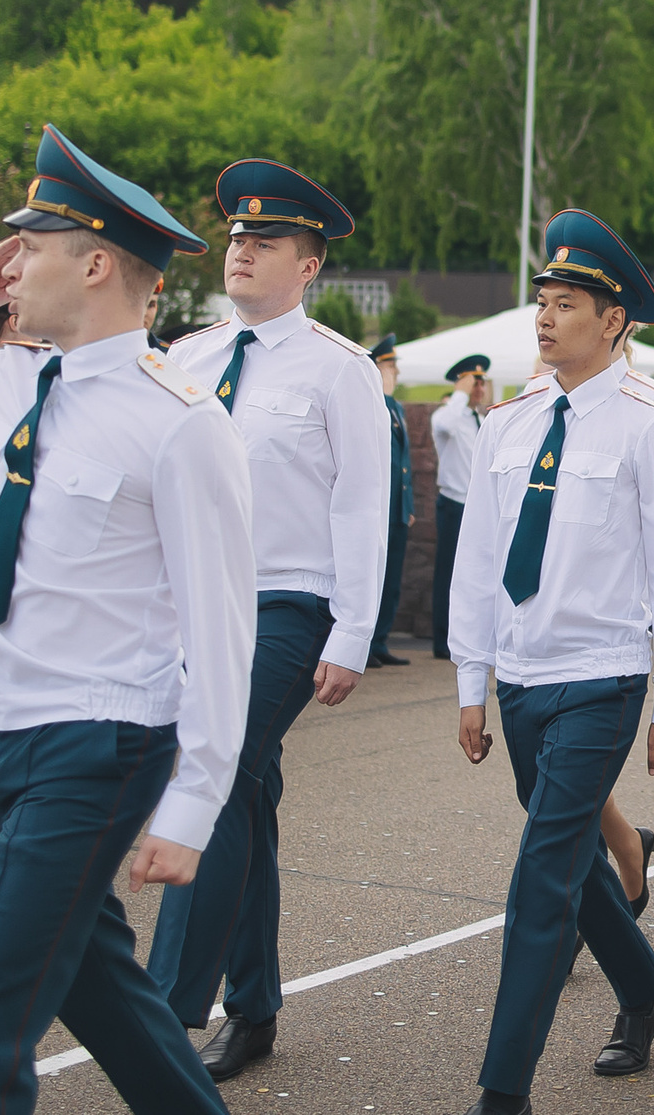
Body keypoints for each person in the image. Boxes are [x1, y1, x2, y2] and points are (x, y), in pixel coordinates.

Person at [0, 124, 256, 1115]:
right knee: (89, 973)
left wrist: (194, 805)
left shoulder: (181, 421)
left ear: (100, 264)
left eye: (30, 249)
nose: (9, 264)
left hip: (98, 740)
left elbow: (221, 628)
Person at [447, 210, 654, 1115]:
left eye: (567, 305)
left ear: (616, 319)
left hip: (603, 677)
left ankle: (502, 1087)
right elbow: (477, 559)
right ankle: (644, 989)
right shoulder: (508, 423)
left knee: (543, 872)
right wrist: (469, 682)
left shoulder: (646, 427)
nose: (546, 319)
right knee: (568, 853)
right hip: (520, 676)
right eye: (543, 302)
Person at [144, 159, 387, 1081]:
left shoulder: (339, 370)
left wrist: (353, 631)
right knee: (242, 788)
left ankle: (162, 1019)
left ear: (309, 264)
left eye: (265, 241)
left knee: (214, 770)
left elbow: (364, 504)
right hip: (198, 604)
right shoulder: (189, 359)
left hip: (290, 604)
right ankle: (253, 1005)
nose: (242, 250)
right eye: (237, 237)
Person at [432, 354, 493, 661]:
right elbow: (443, 425)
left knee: (476, 574)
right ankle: (442, 640)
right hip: (454, 504)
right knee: (448, 576)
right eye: (474, 381)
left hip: (475, 507)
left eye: (481, 382)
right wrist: (459, 392)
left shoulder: (479, 419)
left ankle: (471, 637)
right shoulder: (448, 415)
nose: (479, 388)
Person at [366, 333, 414, 667]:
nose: (395, 371)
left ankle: (380, 640)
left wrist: (407, 508)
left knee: (392, 580)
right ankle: (365, 644)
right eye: (390, 365)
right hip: (378, 510)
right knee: (373, 580)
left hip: (396, 511)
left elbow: (404, 463)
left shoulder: (394, 406)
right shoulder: (373, 403)